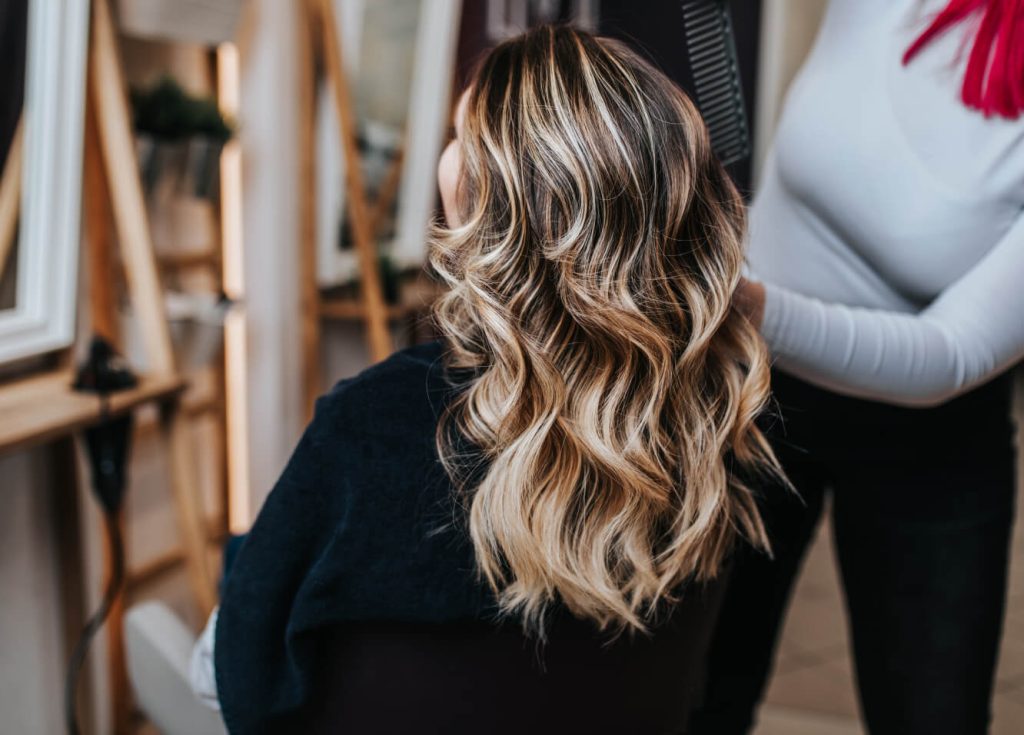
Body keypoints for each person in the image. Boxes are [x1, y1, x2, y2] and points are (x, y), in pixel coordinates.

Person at [192, 25, 784, 734]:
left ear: (487, 195)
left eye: (457, 137)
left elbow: (229, 679)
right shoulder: (718, 414)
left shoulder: (379, 424)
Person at [690, 1, 1024, 733]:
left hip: (935, 441)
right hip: (748, 400)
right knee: (696, 693)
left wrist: (737, 304)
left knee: (932, 715)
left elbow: (950, 354)